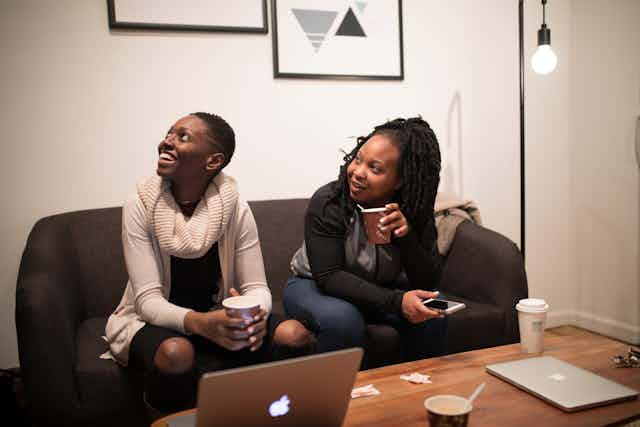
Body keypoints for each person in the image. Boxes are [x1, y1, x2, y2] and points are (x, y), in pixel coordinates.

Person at [104, 112, 313, 415]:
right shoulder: (140, 204)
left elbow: (256, 288)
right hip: (153, 321)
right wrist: (201, 324)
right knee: (176, 353)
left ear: (213, 162)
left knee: (293, 334)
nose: (166, 142)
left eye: (182, 137)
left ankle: (279, 417)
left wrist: (253, 315)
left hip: (217, 314)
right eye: (169, 133)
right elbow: (148, 302)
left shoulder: (235, 207)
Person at [284, 117, 447, 362]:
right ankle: (343, 399)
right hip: (312, 285)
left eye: (375, 168)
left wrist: (406, 237)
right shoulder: (330, 200)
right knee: (343, 320)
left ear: (400, 180)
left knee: (433, 312)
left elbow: (427, 280)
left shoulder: (412, 207)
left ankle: (414, 390)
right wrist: (396, 301)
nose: (358, 172)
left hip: (378, 288)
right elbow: (329, 277)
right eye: (358, 159)